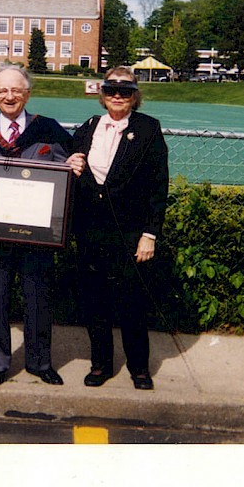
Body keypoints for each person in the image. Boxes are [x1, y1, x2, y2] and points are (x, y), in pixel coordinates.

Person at [0, 65, 85, 386]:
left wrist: (75, 163)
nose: (10, 96)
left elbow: (70, 167)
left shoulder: (50, 131)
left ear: (27, 94)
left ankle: (40, 362)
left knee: (38, 298)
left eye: (16, 91)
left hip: (38, 234)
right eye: (3, 91)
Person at [72, 66, 169, 390]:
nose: (117, 96)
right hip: (90, 231)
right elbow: (74, 170)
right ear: (102, 94)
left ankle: (139, 368)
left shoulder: (148, 129)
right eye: (112, 90)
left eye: (125, 91)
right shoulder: (87, 127)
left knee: (132, 303)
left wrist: (149, 234)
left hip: (129, 232)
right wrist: (71, 164)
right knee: (95, 301)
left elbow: (158, 186)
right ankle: (100, 364)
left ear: (134, 96)